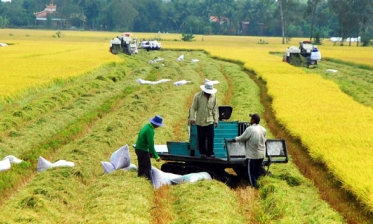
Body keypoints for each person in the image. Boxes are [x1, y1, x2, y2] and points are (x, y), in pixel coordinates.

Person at [232, 113, 266, 188]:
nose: (250, 120)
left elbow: (242, 138)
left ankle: (254, 187)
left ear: (253, 120)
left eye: (251, 119)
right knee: (256, 171)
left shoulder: (250, 129)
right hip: (261, 155)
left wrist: (235, 139)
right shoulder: (263, 129)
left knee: (250, 173)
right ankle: (258, 184)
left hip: (252, 155)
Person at [189, 82, 219, 158]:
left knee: (210, 136)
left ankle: (210, 153)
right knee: (201, 137)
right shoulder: (198, 96)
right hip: (200, 121)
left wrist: (216, 120)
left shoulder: (214, 97)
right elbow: (193, 108)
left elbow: (215, 109)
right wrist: (192, 117)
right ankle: (203, 153)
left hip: (210, 120)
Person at [135, 115, 163, 181]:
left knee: (141, 166)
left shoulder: (146, 126)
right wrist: (156, 156)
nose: (159, 126)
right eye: (158, 125)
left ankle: (140, 178)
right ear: (156, 124)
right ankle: (150, 180)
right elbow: (151, 145)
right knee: (147, 167)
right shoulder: (150, 130)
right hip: (143, 150)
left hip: (138, 148)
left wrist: (150, 152)